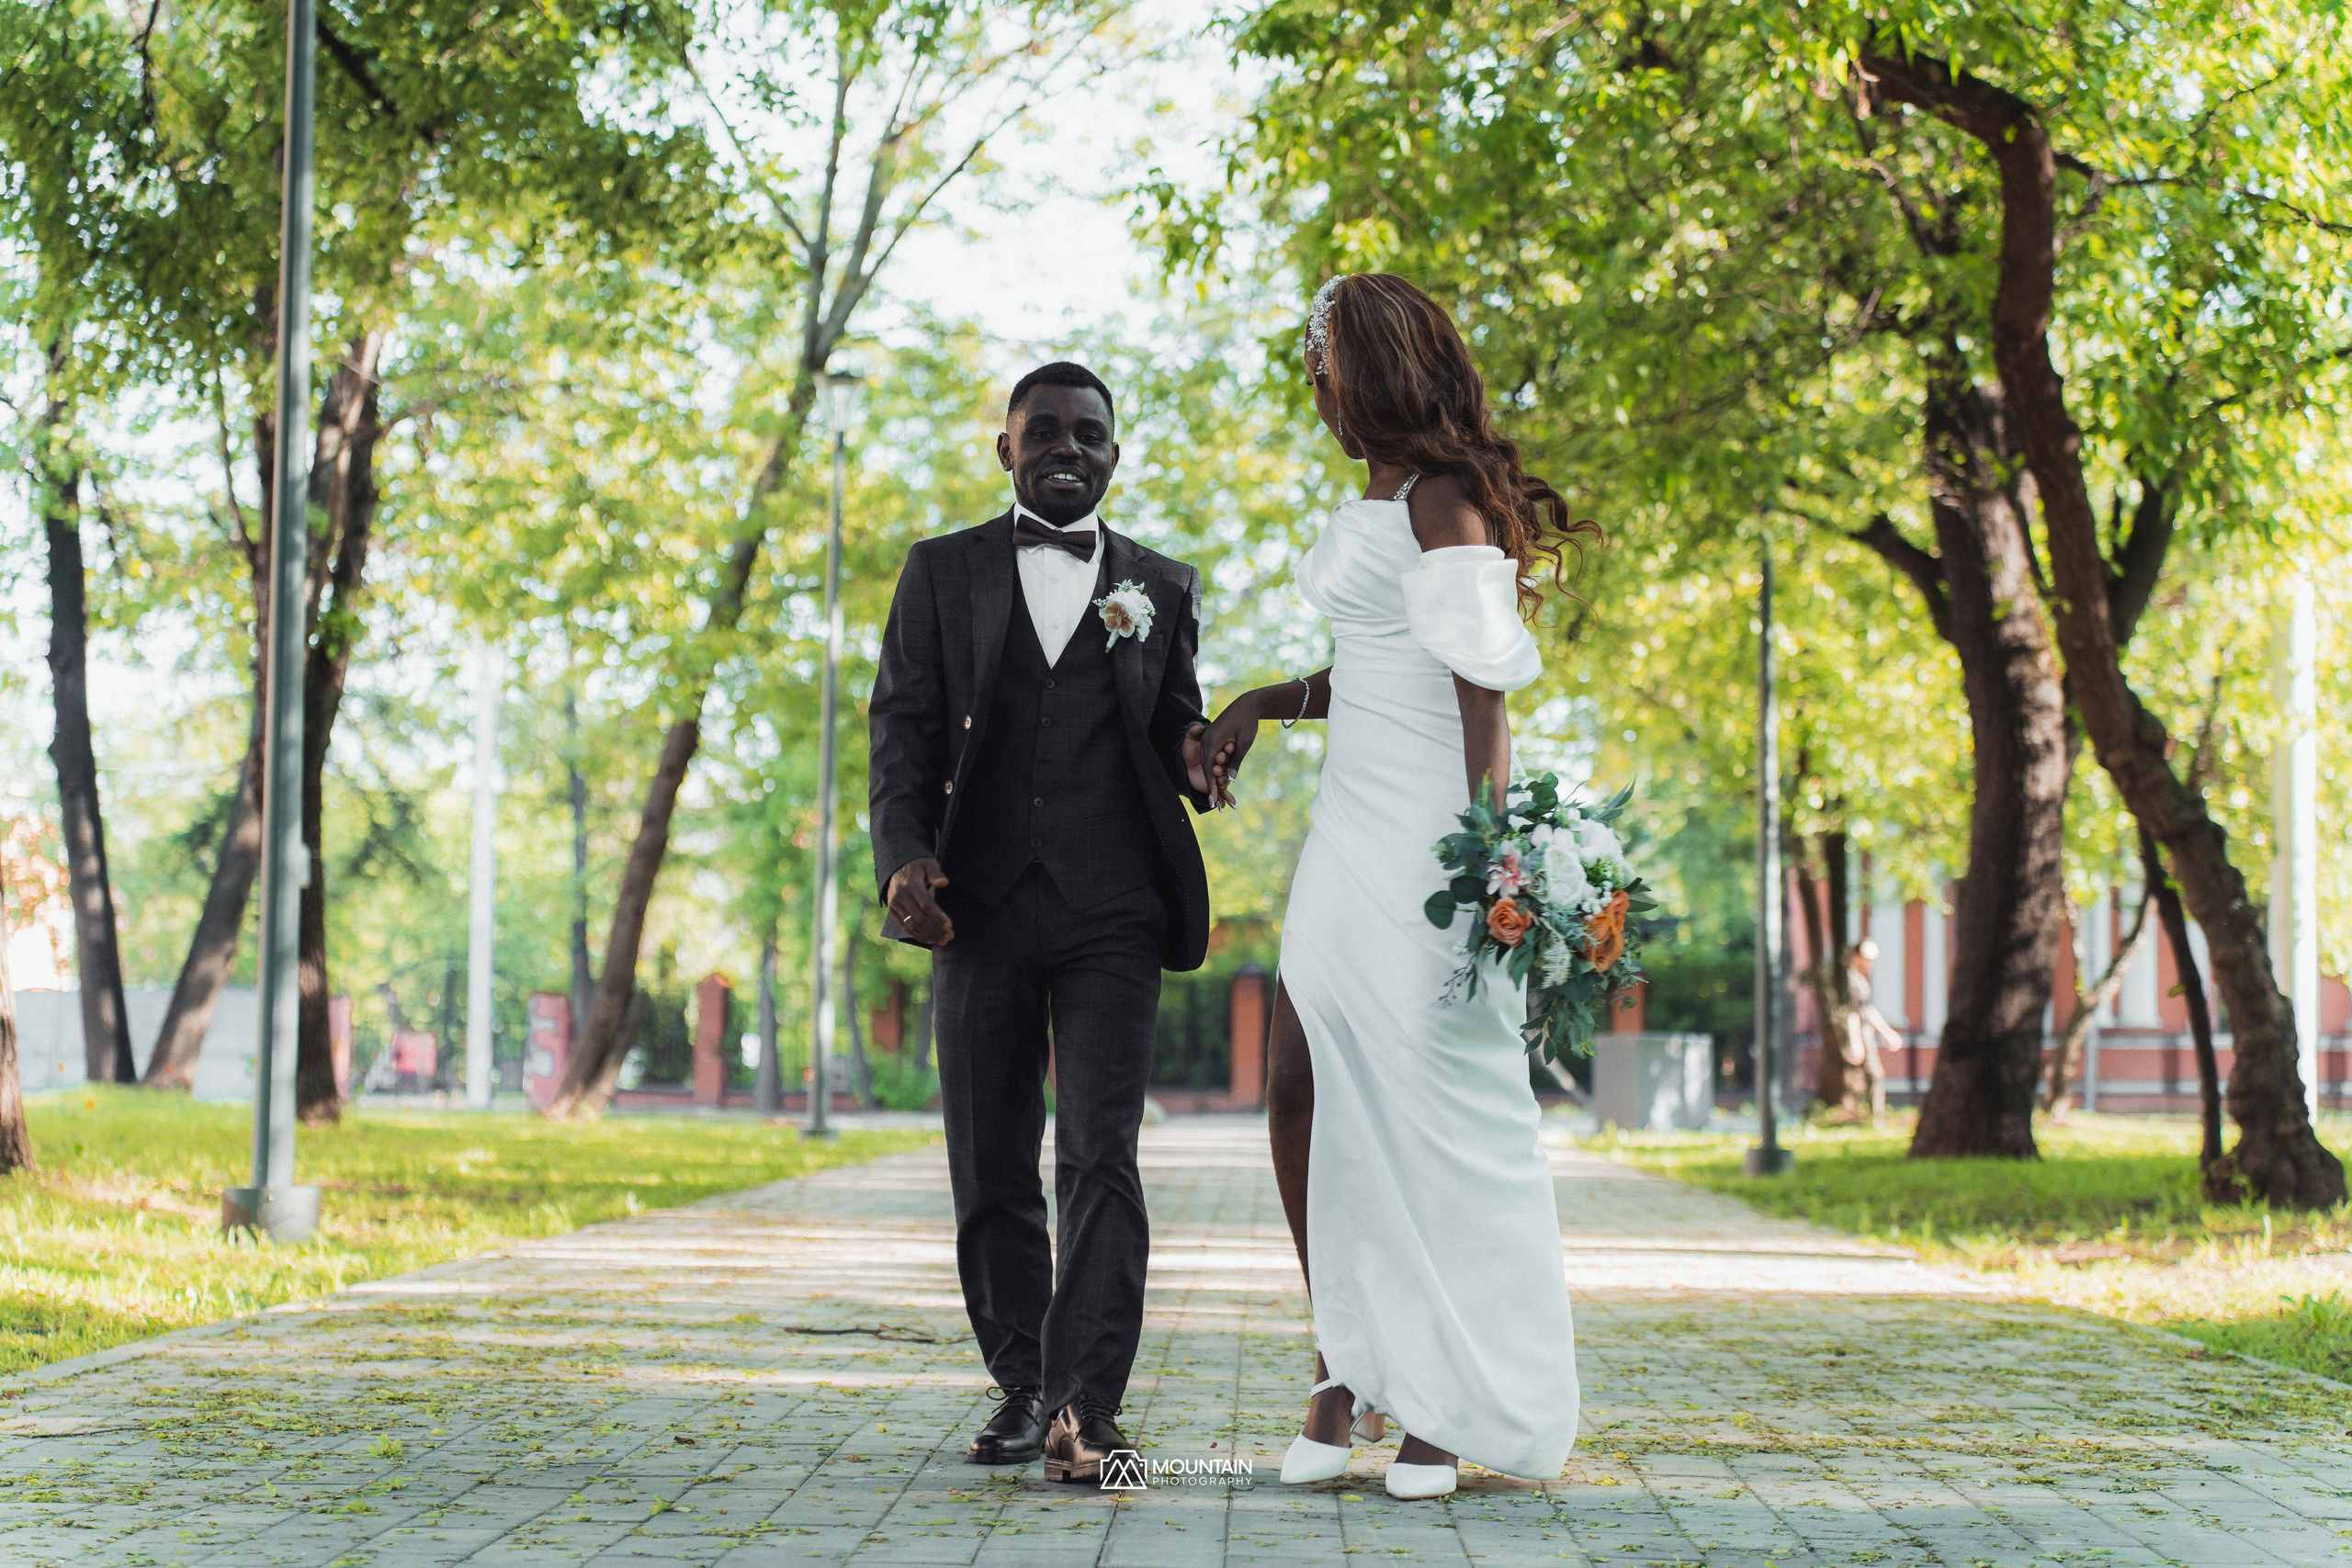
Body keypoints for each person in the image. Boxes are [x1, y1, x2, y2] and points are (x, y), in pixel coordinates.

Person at [1200, 274, 1595, 1500]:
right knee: (1301, 1089)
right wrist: (1267, 699)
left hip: (1434, 843)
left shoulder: (1443, 498)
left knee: (1435, 1117)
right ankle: (1339, 1369)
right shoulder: (1377, 494)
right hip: (1345, 837)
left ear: (1367, 363)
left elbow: (1482, 687)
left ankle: (1443, 1403)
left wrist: (1494, 860)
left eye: (1322, 355)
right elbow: (1377, 662)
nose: (1312, 378)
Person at [867, 362, 1216, 1483]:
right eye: (1046, 432)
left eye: (1091, 435)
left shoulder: (1158, 584)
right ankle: (1022, 1384)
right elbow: (901, 731)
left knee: (1102, 1155)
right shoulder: (939, 572)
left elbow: (1173, 726)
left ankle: (1089, 1407)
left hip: (1114, 905)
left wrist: (1203, 756)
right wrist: (903, 858)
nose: (1069, 448)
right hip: (977, 907)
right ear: (1004, 449)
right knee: (989, 1158)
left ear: (1117, 455)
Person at [1846, 939, 1898, 1121]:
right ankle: (1874, 1118)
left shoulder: (1859, 979)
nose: (1871, 964)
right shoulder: (1850, 980)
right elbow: (1852, 1012)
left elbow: (1867, 1009)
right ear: (1856, 956)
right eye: (1867, 958)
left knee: (1871, 1076)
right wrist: (1855, 1041)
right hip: (1859, 1034)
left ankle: (1870, 1116)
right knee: (1874, 1075)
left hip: (1865, 1033)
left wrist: (1887, 1033)